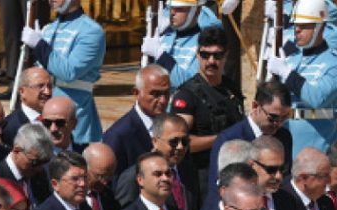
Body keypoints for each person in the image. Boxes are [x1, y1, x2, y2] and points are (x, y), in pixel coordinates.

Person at [263, 0, 337, 158]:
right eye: (296, 24)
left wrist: (287, 74)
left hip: (317, 142)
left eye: (304, 25)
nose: (297, 29)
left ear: (320, 27)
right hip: (282, 138)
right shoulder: (288, 56)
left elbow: (317, 98)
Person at [22, 0, 107, 145]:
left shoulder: (91, 31)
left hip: (73, 111)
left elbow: (68, 71)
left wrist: (39, 45)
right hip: (45, 110)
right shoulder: (48, 29)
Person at [171, 26, 244, 191]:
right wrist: (223, 138)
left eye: (217, 56)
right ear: (197, 55)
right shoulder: (187, 95)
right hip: (201, 177)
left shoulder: (231, 89)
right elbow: (179, 142)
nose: (211, 61)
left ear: (225, 56)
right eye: (205, 55)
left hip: (232, 173)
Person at [207, 80, 294, 193]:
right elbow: (217, 189)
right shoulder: (229, 139)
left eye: (284, 118)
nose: (278, 124)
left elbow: (285, 181)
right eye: (273, 118)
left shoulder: (284, 137)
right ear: (255, 106)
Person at [113, 113, 199, 210]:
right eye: (174, 141)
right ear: (155, 141)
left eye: (185, 141)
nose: (180, 147)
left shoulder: (188, 170)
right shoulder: (134, 176)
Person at [104, 65, 172, 177]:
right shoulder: (119, 135)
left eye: (166, 93)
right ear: (136, 93)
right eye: (155, 94)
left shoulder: (172, 126)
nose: (163, 100)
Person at [142, 0, 211, 90]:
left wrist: (161, 56)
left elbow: (192, 83)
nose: (172, 13)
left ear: (197, 11)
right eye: (171, 8)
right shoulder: (162, 36)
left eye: (179, 8)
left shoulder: (205, 43)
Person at [0, 123, 54, 206]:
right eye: (35, 162)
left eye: (44, 162)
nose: (39, 168)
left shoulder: (41, 176)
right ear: (17, 150)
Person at [1, 67, 53, 148]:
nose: (47, 92)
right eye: (40, 86)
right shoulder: (9, 127)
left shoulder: (57, 121)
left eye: (49, 86)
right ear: (22, 91)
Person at [82, 143, 120, 210]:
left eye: (109, 176)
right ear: (84, 168)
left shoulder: (108, 196)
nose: (105, 182)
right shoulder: (71, 198)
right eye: (100, 176)